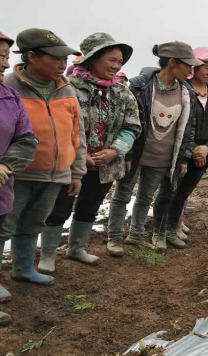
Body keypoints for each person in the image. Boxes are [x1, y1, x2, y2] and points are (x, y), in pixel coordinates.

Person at [38, 33, 141, 272]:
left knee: (90, 206)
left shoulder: (122, 93)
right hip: (70, 162)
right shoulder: (66, 88)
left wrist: (115, 150)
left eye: (120, 62)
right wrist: (78, 154)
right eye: (112, 60)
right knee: (59, 207)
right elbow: (57, 126)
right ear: (93, 58)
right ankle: (48, 254)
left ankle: (76, 248)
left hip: (106, 164)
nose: (117, 66)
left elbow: (133, 126)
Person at [0, 28, 86, 289]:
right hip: (17, 173)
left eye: (65, 60)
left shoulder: (66, 88)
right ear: (32, 57)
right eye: (56, 58)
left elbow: (76, 132)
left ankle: (24, 268)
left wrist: (77, 171)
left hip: (54, 173)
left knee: (35, 222)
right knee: (5, 225)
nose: (63, 64)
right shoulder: (8, 87)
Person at [106, 41, 201, 257]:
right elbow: (125, 120)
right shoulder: (140, 86)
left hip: (164, 156)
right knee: (122, 194)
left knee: (145, 197)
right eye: (188, 65)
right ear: (172, 62)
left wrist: (184, 157)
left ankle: (137, 235)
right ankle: (115, 237)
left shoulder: (187, 92)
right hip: (137, 153)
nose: (190, 70)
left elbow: (189, 127)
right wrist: (127, 152)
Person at [152, 47, 208, 250]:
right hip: (181, 152)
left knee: (183, 193)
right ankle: (158, 231)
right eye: (207, 68)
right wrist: (193, 149)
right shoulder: (181, 90)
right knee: (168, 191)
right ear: (195, 66)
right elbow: (178, 124)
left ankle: (170, 229)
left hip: (205, 154)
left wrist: (206, 148)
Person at [0, 32, 39, 327]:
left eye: (4, 55)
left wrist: (5, 165)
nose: (2, 63)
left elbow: (26, 138)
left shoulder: (9, 97)